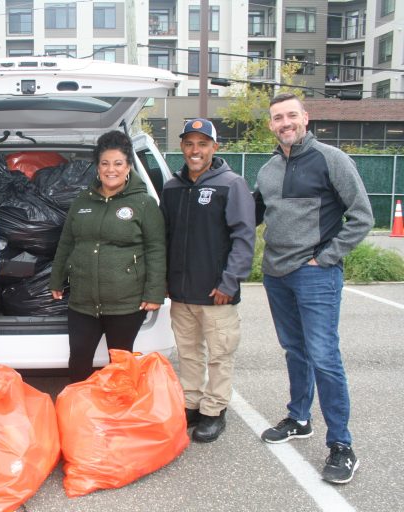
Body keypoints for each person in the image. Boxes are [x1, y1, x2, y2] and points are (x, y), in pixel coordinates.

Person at [254, 93, 373, 484]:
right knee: (296, 350)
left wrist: (326, 257)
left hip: (315, 274)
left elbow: (361, 216)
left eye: (291, 115)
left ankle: (341, 445)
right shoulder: (268, 169)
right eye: (277, 118)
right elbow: (249, 215)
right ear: (271, 125)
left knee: (324, 356)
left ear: (305, 118)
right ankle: (299, 417)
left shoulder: (331, 159)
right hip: (276, 273)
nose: (285, 123)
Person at [160, 119, 255, 443]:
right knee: (188, 354)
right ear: (183, 147)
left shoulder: (231, 184)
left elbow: (244, 238)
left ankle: (214, 411)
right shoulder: (172, 187)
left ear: (215, 147)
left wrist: (229, 283)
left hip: (217, 293)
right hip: (182, 293)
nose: (195, 150)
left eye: (202, 143)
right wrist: (164, 280)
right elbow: (164, 237)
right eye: (189, 143)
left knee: (219, 354)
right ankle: (192, 404)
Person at [50, 130, 166, 382]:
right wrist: (56, 279)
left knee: (121, 365)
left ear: (128, 167)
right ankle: (79, 414)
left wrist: (154, 292)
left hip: (126, 303)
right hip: (82, 301)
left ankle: (119, 414)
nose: (110, 169)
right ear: (97, 167)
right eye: (104, 163)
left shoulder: (144, 203)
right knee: (79, 361)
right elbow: (67, 242)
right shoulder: (82, 201)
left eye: (117, 163)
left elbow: (156, 249)